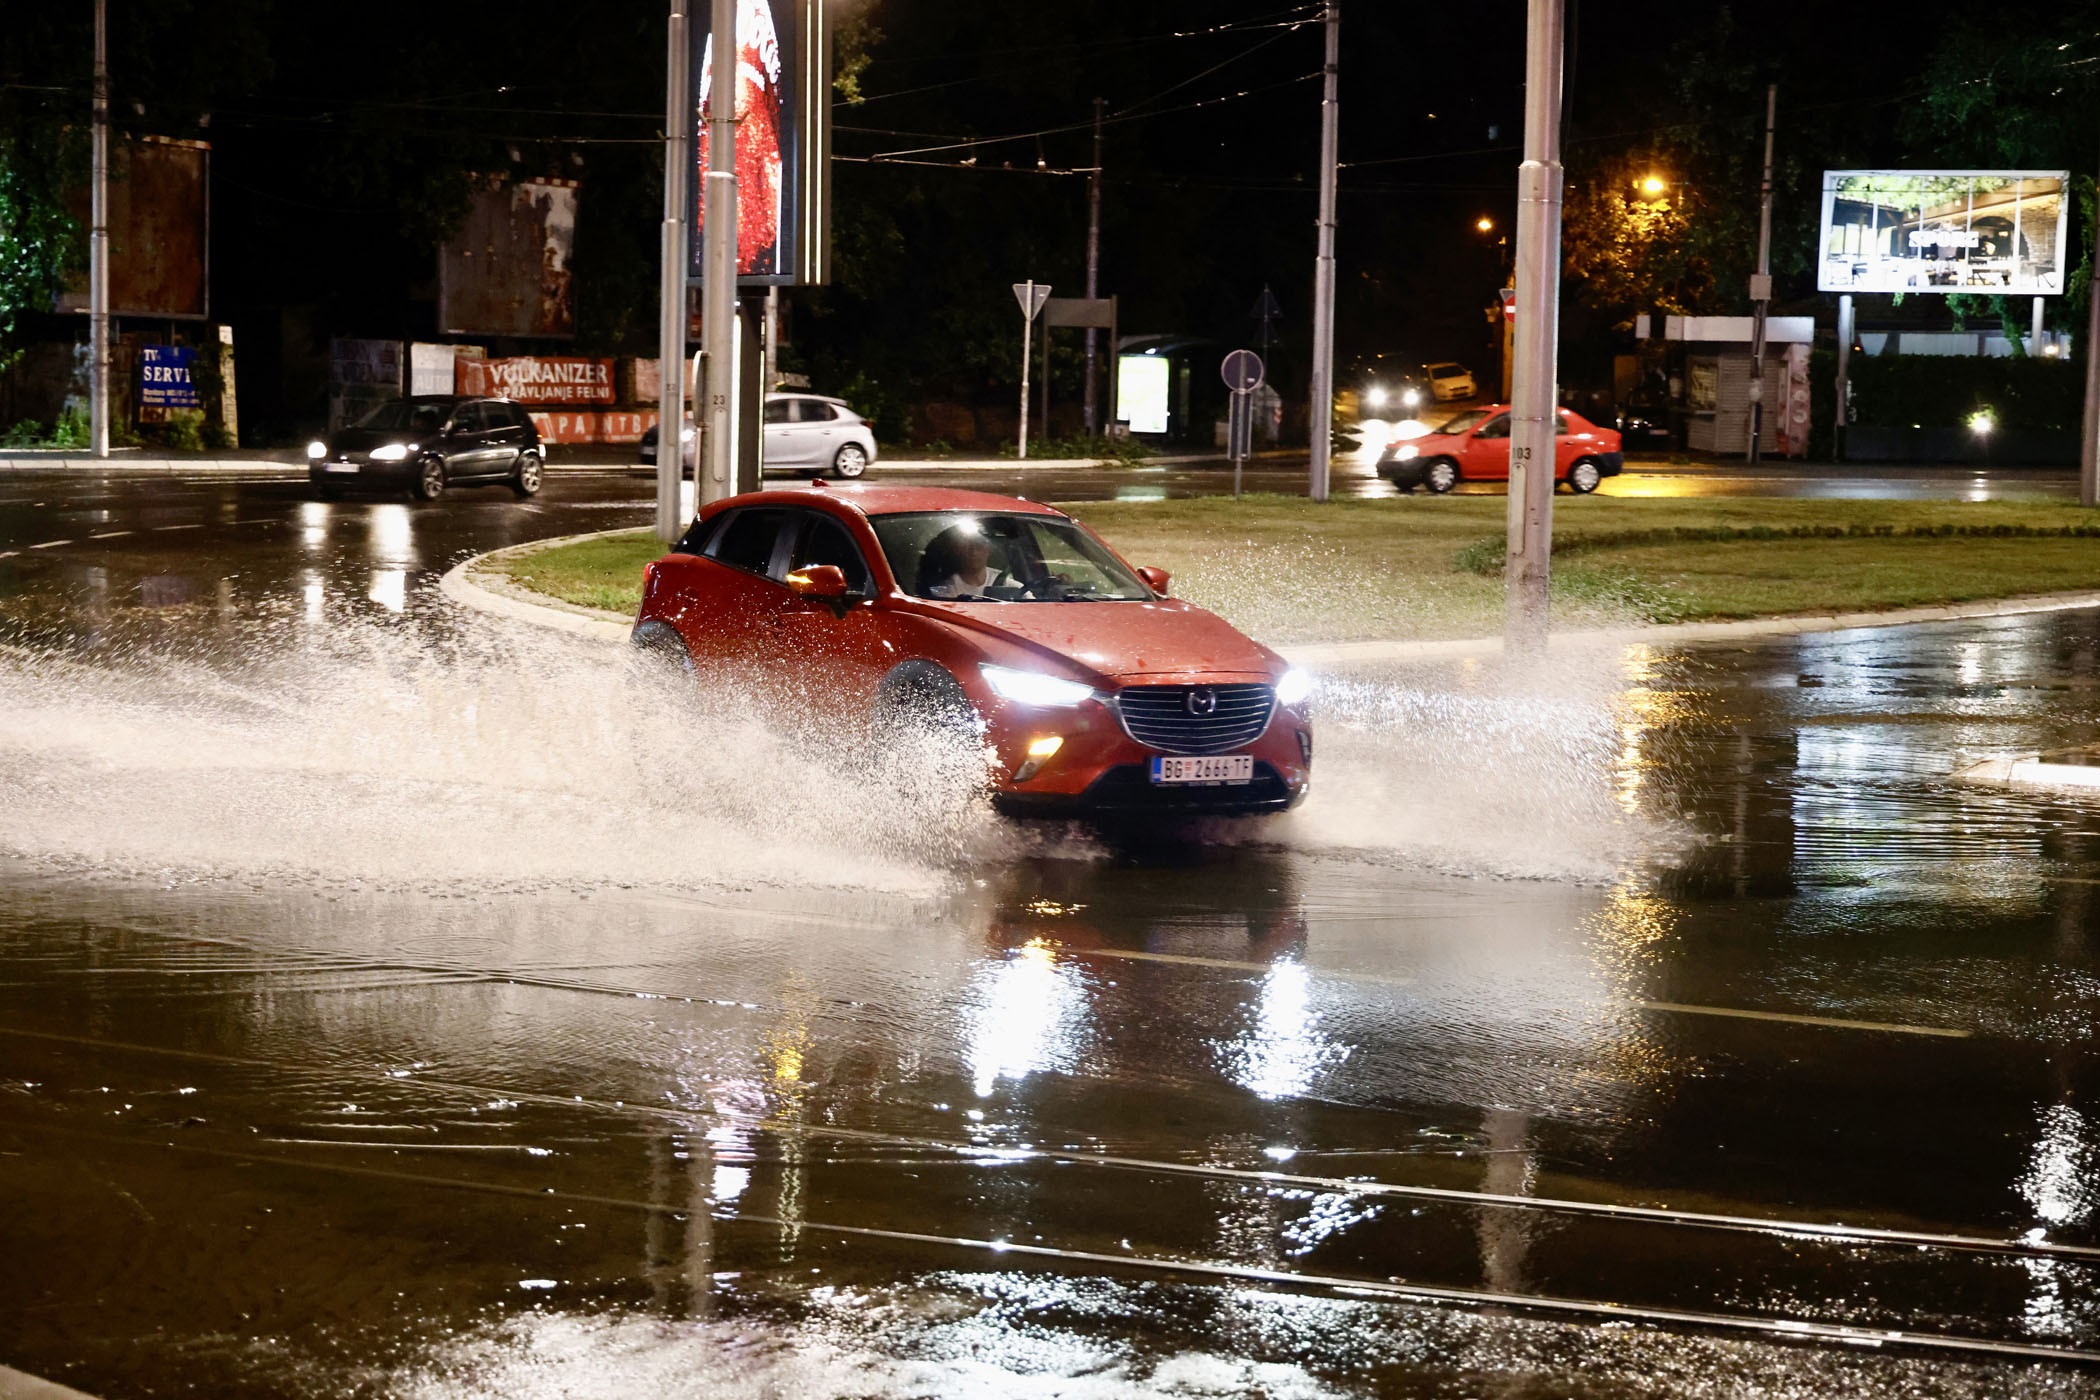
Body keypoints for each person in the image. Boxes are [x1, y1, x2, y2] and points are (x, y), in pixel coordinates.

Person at [919, 524, 1012, 599]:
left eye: (979, 547)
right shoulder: (947, 587)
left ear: (989, 550)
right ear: (959, 551)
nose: (974, 552)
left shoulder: (1004, 581)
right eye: (968, 547)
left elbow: (1024, 595)